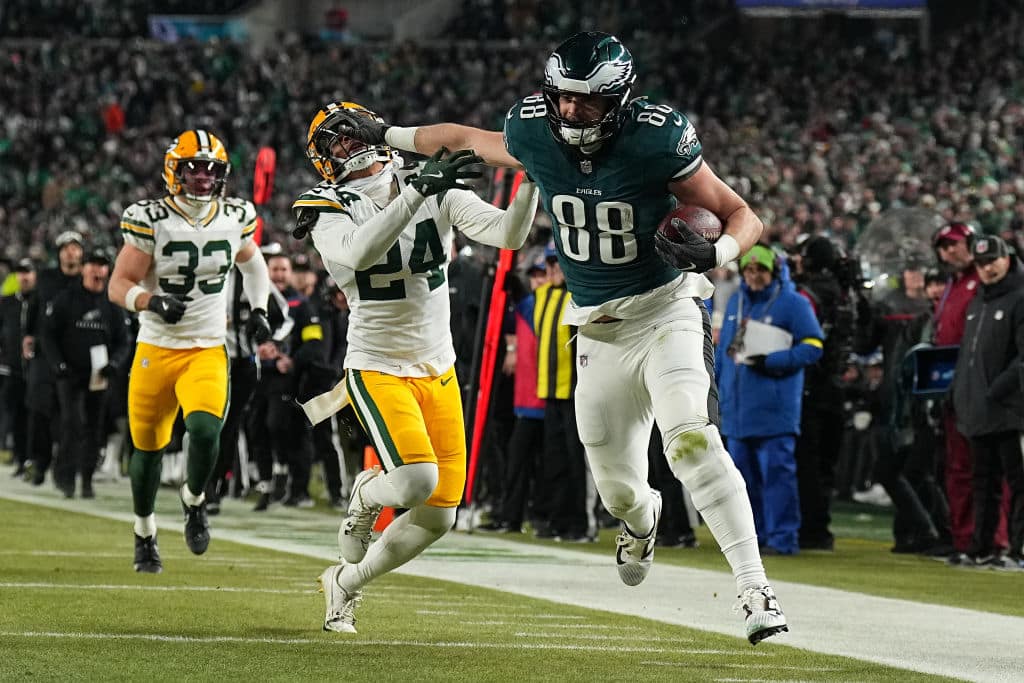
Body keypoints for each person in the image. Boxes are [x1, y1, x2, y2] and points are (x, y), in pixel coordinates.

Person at [333, 32, 787, 643]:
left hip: (667, 310)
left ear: (620, 100)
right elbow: (462, 139)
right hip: (597, 329)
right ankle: (642, 518)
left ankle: (755, 590)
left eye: (589, 102)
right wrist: (382, 135)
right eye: (563, 98)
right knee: (618, 490)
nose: (572, 112)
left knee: (690, 442)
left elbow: (743, 214)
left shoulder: (656, 136)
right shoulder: (531, 129)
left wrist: (718, 252)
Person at [294, 101, 538, 633]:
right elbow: (359, 252)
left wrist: (534, 178)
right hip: (377, 364)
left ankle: (346, 583)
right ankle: (365, 492)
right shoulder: (324, 203)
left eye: (353, 134)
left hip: (438, 365)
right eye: (336, 142)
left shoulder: (431, 180)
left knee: (440, 513)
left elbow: (508, 235)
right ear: (322, 158)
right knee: (413, 482)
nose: (349, 147)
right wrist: (418, 191)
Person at [108, 129, 273, 574]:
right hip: (157, 347)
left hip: (206, 347)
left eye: (211, 169)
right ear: (173, 170)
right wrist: (150, 300)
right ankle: (144, 532)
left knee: (205, 431)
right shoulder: (151, 218)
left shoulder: (234, 215)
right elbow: (118, 284)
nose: (202, 176)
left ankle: (194, 499)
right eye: (193, 167)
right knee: (148, 449)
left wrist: (258, 308)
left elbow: (253, 263)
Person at [716, 245, 823, 555]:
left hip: (775, 409)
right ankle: (754, 538)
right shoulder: (736, 301)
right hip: (737, 409)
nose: (753, 276)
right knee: (742, 481)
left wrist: (773, 360)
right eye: (749, 271)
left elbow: (814, 346)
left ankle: (782, 539)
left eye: (760, 270)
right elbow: (726, 353)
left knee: (777, 477)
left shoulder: (794, 304)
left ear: (774, 271)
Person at [948, 235, 1024, 567]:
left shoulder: (1020, 296)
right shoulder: (979, 299)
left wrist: (996, 390)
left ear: (1007, 258)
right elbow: (969, 354)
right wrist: (961, 394)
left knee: (1018, 482)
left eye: (992, 260)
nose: (987, 268)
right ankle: (982, 548)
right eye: (980, 263)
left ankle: (1018, 551)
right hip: (980, 409)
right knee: (984, 482)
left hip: (1012, 410)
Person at [40, 250, 131, 499]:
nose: (97, 270)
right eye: (92, 264)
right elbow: (47, 335)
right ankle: (66, 476)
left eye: (102, 266)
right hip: (70, 374)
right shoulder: (66, 299)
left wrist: (114, 364)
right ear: (83, 269)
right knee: (71, 424)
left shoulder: (112, 305)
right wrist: (58, 365)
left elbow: (124, 342)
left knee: (95, 428)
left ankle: (87, 480)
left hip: (99, 376)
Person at [0, 259, 36, 478]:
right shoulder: (6, 303)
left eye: (28, 272)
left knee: (38, 415)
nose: (24, 277)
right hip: (12, 368)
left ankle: (38, 460)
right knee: (17, 416)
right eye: (20, 273)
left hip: (37, 370)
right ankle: (22, 459)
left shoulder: (41, 302)